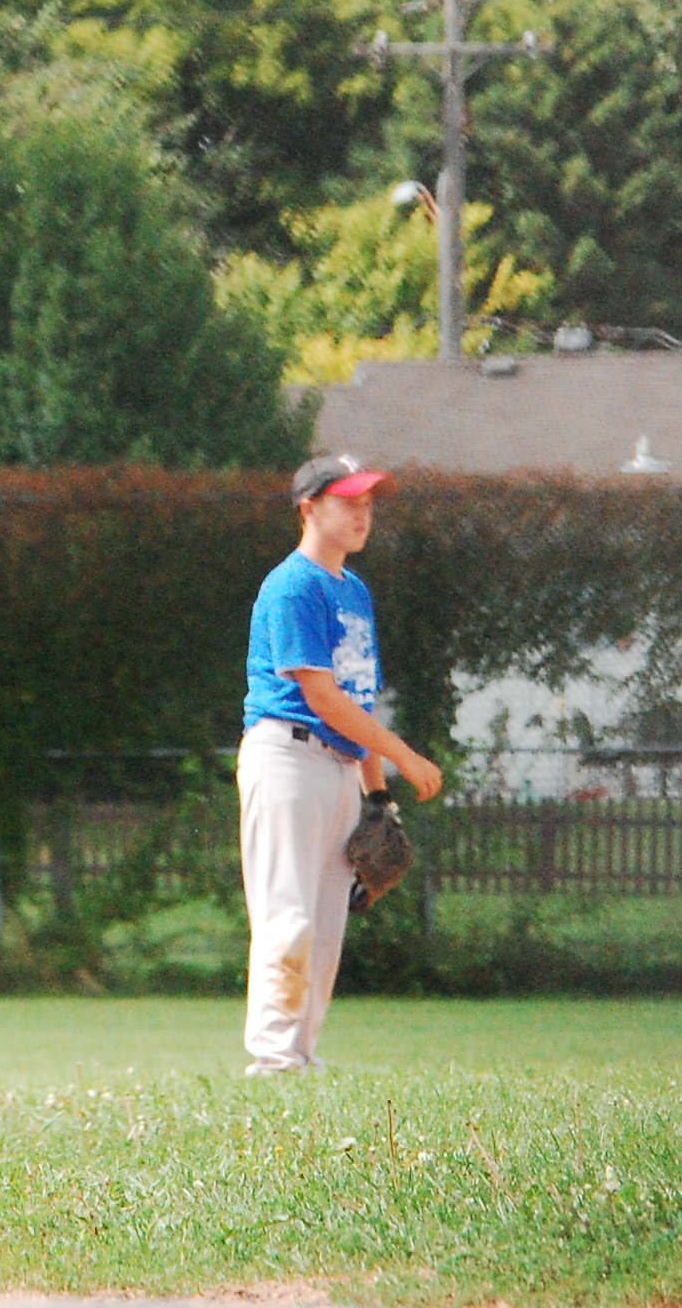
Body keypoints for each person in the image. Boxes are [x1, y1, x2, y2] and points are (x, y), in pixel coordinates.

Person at [237, 452, 444, 1077]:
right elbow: (322, 696)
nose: (362, 514)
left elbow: (359, 701)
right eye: (347, 501)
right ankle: (273, 1059)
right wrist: (403, 754)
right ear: (309, 507)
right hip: (288, 756)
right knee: (289, 916)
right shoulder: (293, 585)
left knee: (327, 927)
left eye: (368, 503)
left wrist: (378, 795)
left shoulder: (353, 592)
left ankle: (300, 1055)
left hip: (341, 766)